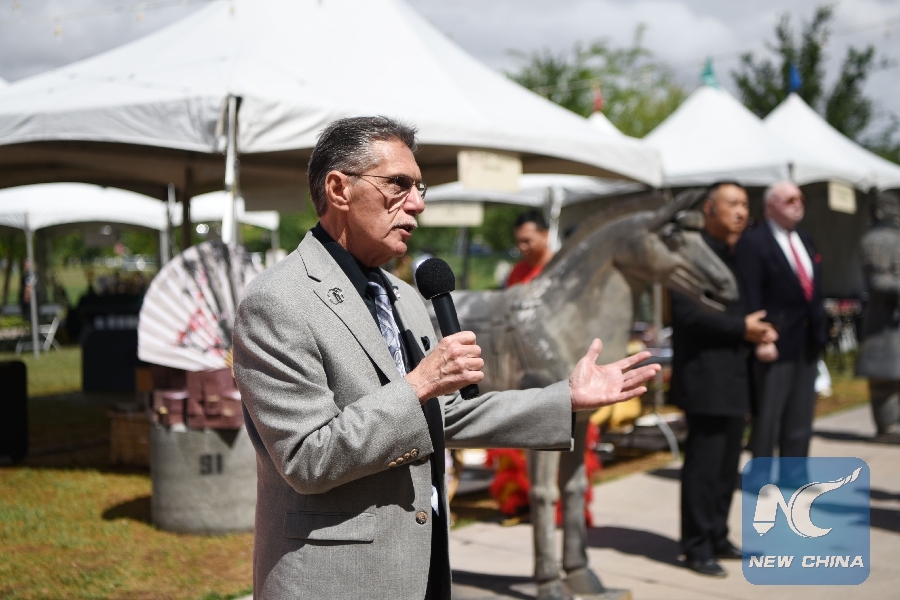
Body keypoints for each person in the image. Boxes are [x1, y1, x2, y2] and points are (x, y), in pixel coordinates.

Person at [232, 116, 660, 600]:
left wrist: (567, 398)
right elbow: (307, 458)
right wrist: (420, 384)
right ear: (338, 189)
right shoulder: (278, 301)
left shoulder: (404, 295)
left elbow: (445, 415)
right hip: (335, 578)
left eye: (419, 188)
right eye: (398, 184)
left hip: (423, 565)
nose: (416, 204)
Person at [670, 182, 778, 578]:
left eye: (745, 205)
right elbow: (688, 316)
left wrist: (761, 330)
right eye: (732, 204)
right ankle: (696, 546)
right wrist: (742, 328)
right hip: (705, 376)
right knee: (705, 464)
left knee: (728, 463)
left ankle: (717, 534)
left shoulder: (739, 253)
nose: (740, 212)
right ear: (709, 209)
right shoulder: (691, 254)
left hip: (736, 375)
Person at [736, 182, 826, 462]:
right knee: (768, 419)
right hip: (774, 342)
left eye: (800, 199)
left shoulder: (805, 239)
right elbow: (751, 294)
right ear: (771, 205)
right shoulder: (754, 242)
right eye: (790, 200)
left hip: (807, 342)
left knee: (800, 420)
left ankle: (794, 477)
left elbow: (812, 291)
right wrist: (761, 337)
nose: (798, 204)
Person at [856, 191, 900, 439]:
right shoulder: (877, 240)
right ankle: (888, 427)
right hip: (884, 320)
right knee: (886, 378)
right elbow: (878, 282)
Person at [506, 210, 554, 286]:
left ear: (545, 236)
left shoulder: (560, 266)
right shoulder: (517, 272)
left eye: (527, 241)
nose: (521, 247)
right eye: (518, 242)